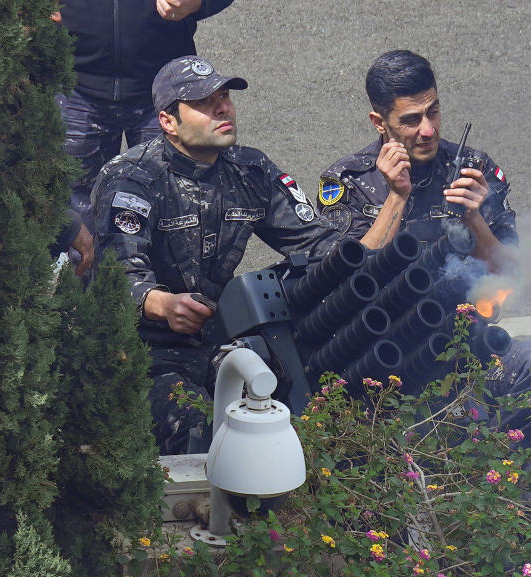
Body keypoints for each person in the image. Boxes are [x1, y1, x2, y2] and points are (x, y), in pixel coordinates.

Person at [93, 56, 339, 454]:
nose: (223, 108)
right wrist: (161, 303)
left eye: (224, 97)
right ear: (168, 121)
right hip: (140, 353)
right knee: (195, 428)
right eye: (205, 102)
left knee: (295, 409)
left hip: (216, 344)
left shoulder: (251, 169)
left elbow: (319, 244)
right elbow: (114, 277)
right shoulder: (132, 177)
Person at [316, 49, 531, 435]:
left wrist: (475, 218)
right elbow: (345, 285)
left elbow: (510, 272)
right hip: (384, 355)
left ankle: (491, 471)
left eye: (433, 112)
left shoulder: (475, 168)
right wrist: (395, 198)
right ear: (379, 122)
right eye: (411, 120)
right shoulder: (348, 180)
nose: (428, 130)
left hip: (464, 346)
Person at [51, 0, 234, 273]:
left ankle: (169, 306)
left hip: (164, 86)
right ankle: (86, 308)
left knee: (179, 206)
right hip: (72, 85)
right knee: (75, 221)